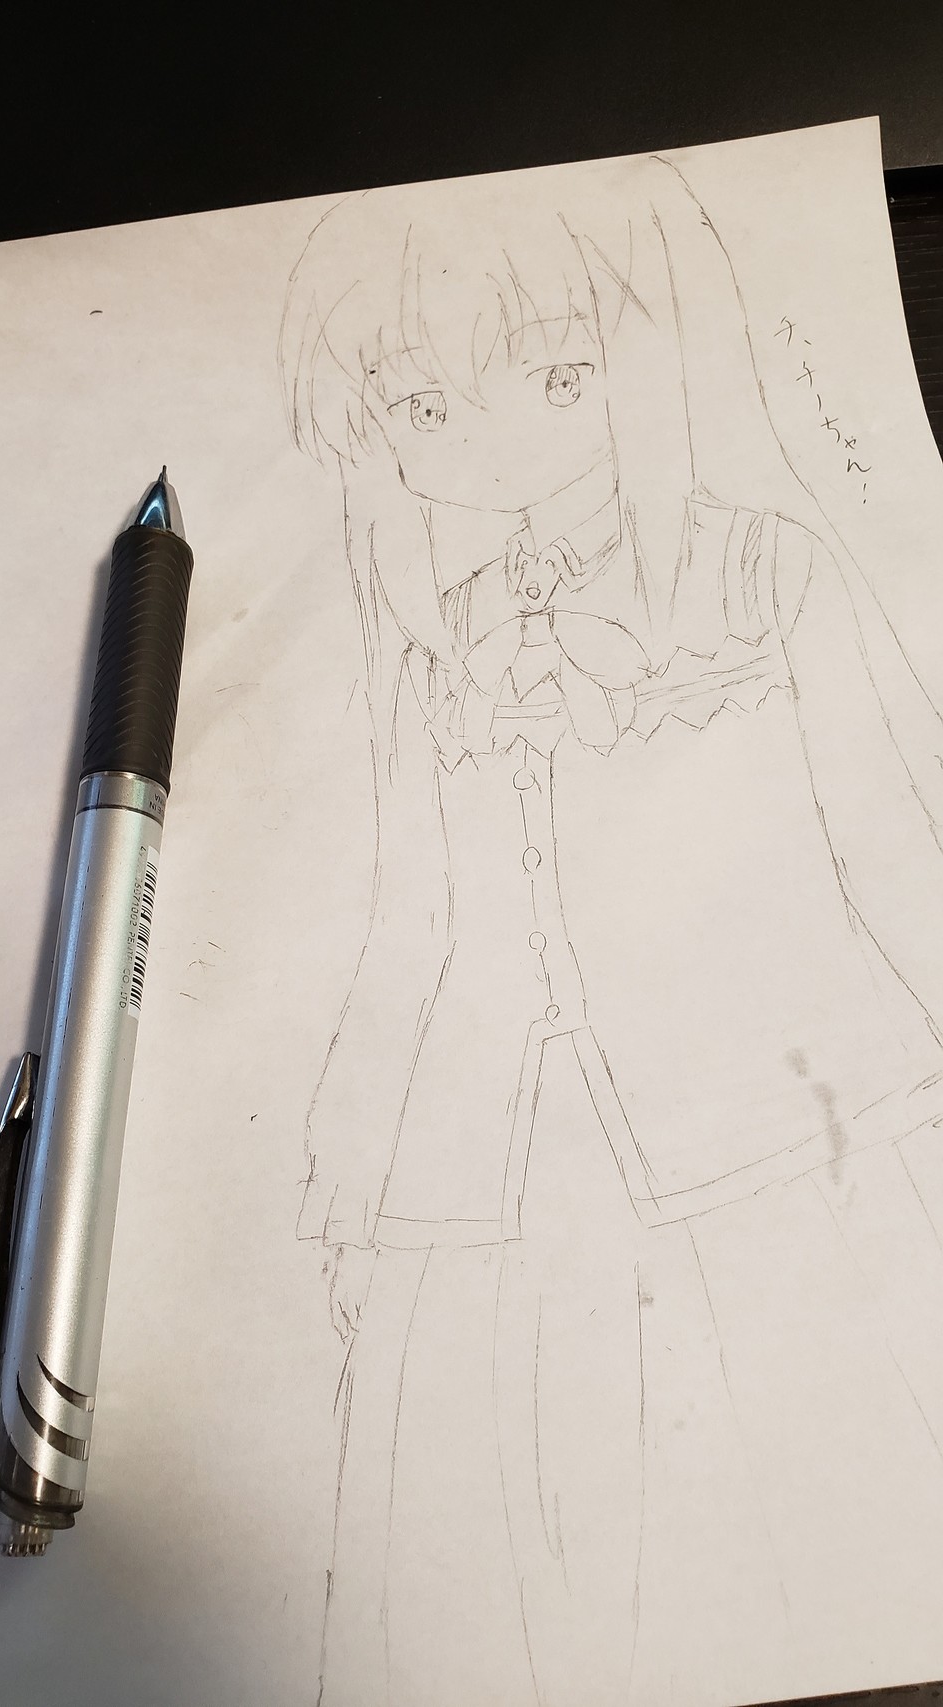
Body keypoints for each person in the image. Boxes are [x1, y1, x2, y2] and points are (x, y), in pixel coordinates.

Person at [282, 155, 943, 1705]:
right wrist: (354, 1179)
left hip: (776, 1153)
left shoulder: (763, 571)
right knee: (504, 1589)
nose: (483, 437)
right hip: (491, 1188)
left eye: (555, 373)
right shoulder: (433, 651)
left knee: (805, 1549)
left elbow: (903, 841)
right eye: (419, 405)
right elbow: (407, 926)